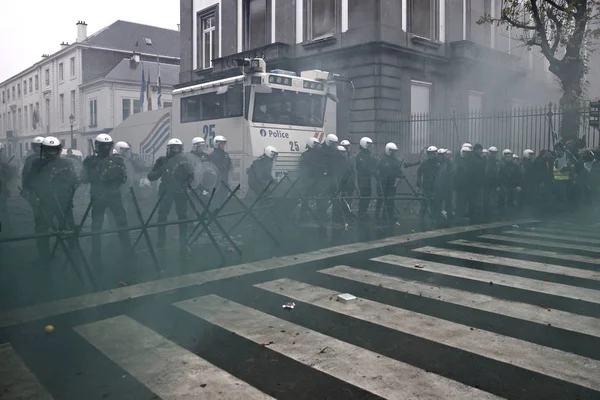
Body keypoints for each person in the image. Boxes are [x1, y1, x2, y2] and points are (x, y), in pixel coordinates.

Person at [83, 133, 133, 268]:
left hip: (113, 195)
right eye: (103, 146)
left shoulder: (117, 160)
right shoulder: (90, 160)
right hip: (99, 196)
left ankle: (127, 252)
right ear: (97, 146)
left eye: (107, 146)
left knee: (121, 223)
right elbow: (85, 178)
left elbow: (124, 177)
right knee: (97, 226)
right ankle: (96, 255)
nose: (105, 148)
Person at [26, 137, 78, 260]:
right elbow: (30, 182)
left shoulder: (66, 163)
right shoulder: (37, 164)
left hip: (63, 201)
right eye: (50, 150)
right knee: (43, 229)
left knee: (68, 228)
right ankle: (45, 257)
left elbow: (74, 180)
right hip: (46, 201)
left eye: (54, 150)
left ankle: (74, 254)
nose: (52, 153)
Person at [148, 138, 192, 253]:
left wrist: (190, 176)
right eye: (174, 148)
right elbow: (150, 176)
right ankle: (160, 242)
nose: (176, 150)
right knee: (162, 216)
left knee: (183, 216)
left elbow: (191, 177)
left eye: (178, 148)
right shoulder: (162, 160)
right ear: (169, 149)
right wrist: (160, 171)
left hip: (180, 191)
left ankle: (184, 242)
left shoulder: (185, 161)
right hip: (166, 190)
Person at [376, 142, 403, 224]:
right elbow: (376, 171)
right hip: (382, 183)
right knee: (380, 200)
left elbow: (399, 171)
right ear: (389, 150)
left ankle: (387, 216)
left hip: (391, 184)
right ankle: (376, 216)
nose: (394, 153)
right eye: (393, 151)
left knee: (390, 200)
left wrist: (399, 177)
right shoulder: (381, 160)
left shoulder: (395, 161)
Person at [417, 146, 439, 229]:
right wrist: (418, 182)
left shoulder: (438, 163)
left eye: (431, 154)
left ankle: (435, 219)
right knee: (424, 203)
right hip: (426, 186)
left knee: (434, 204)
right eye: (429, 154)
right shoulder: (425, 163)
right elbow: (419, 172)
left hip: (435, 187)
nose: (430, 155)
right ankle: (422, 221)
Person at [355, 137, 377, 221]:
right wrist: (373, 171)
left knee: (368, 195)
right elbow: (364, 167)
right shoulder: (360, 156)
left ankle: (364, 212)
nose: (370, 146)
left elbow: (374, 163)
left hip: (367, 179)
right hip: (362, 179)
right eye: (368, 144)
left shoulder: (369, 155)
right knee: (364, 196)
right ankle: (361, 213)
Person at [497, 149, 522, 219]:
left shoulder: (516, 166)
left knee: (514, 201)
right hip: (505, 186)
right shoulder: (502, 166)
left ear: (511, 158)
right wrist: (498, 186)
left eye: (509, 157)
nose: (508, 158)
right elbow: (499, 176)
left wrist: (519, 185)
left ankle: (514, 216)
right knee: (506, 201)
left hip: (514, 187)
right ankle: (506, 216)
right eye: (507, 157)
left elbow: (519, 176)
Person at [466, 143, 486, 223]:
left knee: (472, 201)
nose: (481, 152)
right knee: (476, 201)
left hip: (471, 183)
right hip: (476, 183)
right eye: (480, 150)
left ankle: (473, 216)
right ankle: (475, 217)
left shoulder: (471, 158)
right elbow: (480, 172)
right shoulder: (477, 160)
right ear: (476, 150)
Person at [484, 146, 500, 221]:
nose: (494, 154)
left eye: (495, 153)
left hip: (493, 184)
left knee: (492, 200)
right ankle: (488, 215)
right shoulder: (486, 161)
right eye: (493, 153)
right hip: (487, 183)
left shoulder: (496, 162)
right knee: (487, 200)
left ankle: (490, 215)